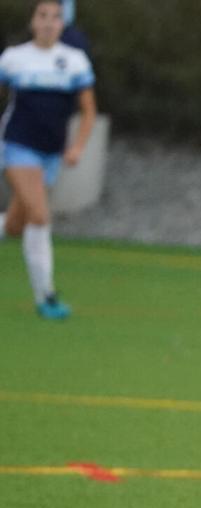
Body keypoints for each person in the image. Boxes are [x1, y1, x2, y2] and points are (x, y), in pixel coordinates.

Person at [0, 0, 96, 320]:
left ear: (62, 24)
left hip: (51, 153)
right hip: (16, 146)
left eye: (55, 17)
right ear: (32, 21)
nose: (48, 22)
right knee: (40, 216)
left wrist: (78, 147)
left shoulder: (74, 61)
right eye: (42, 16)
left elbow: (88, 111)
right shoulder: (14, 59)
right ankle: (47, 297)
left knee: (15, 224)